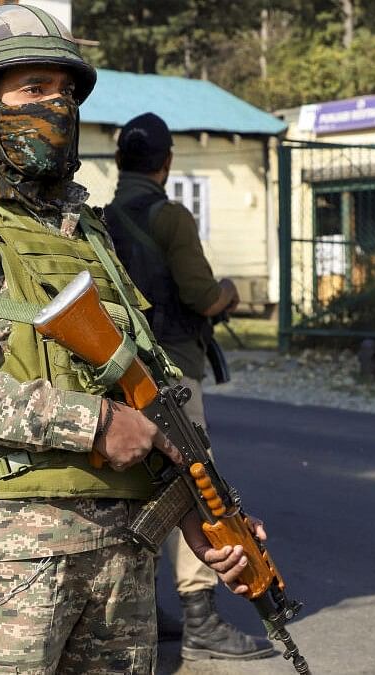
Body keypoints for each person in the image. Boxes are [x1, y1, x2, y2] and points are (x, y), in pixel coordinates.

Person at [0, 6, 264, 673]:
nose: (55, 105)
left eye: (64, 91)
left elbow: (149, 389)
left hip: (124, 560)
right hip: (14, 561)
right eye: (32, 89)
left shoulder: (88, 231)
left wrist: (204, 510)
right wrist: (93, 423)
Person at [104, 113, 274, 662]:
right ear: (167, 162)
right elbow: (201, 296)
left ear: (120, 161)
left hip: (120, 374)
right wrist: (228, 291)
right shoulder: (169, 216)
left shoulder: (101, 219)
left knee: (145, 488)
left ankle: (145, 608)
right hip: (172, 372)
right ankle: (201, 615)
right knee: (199, 487)